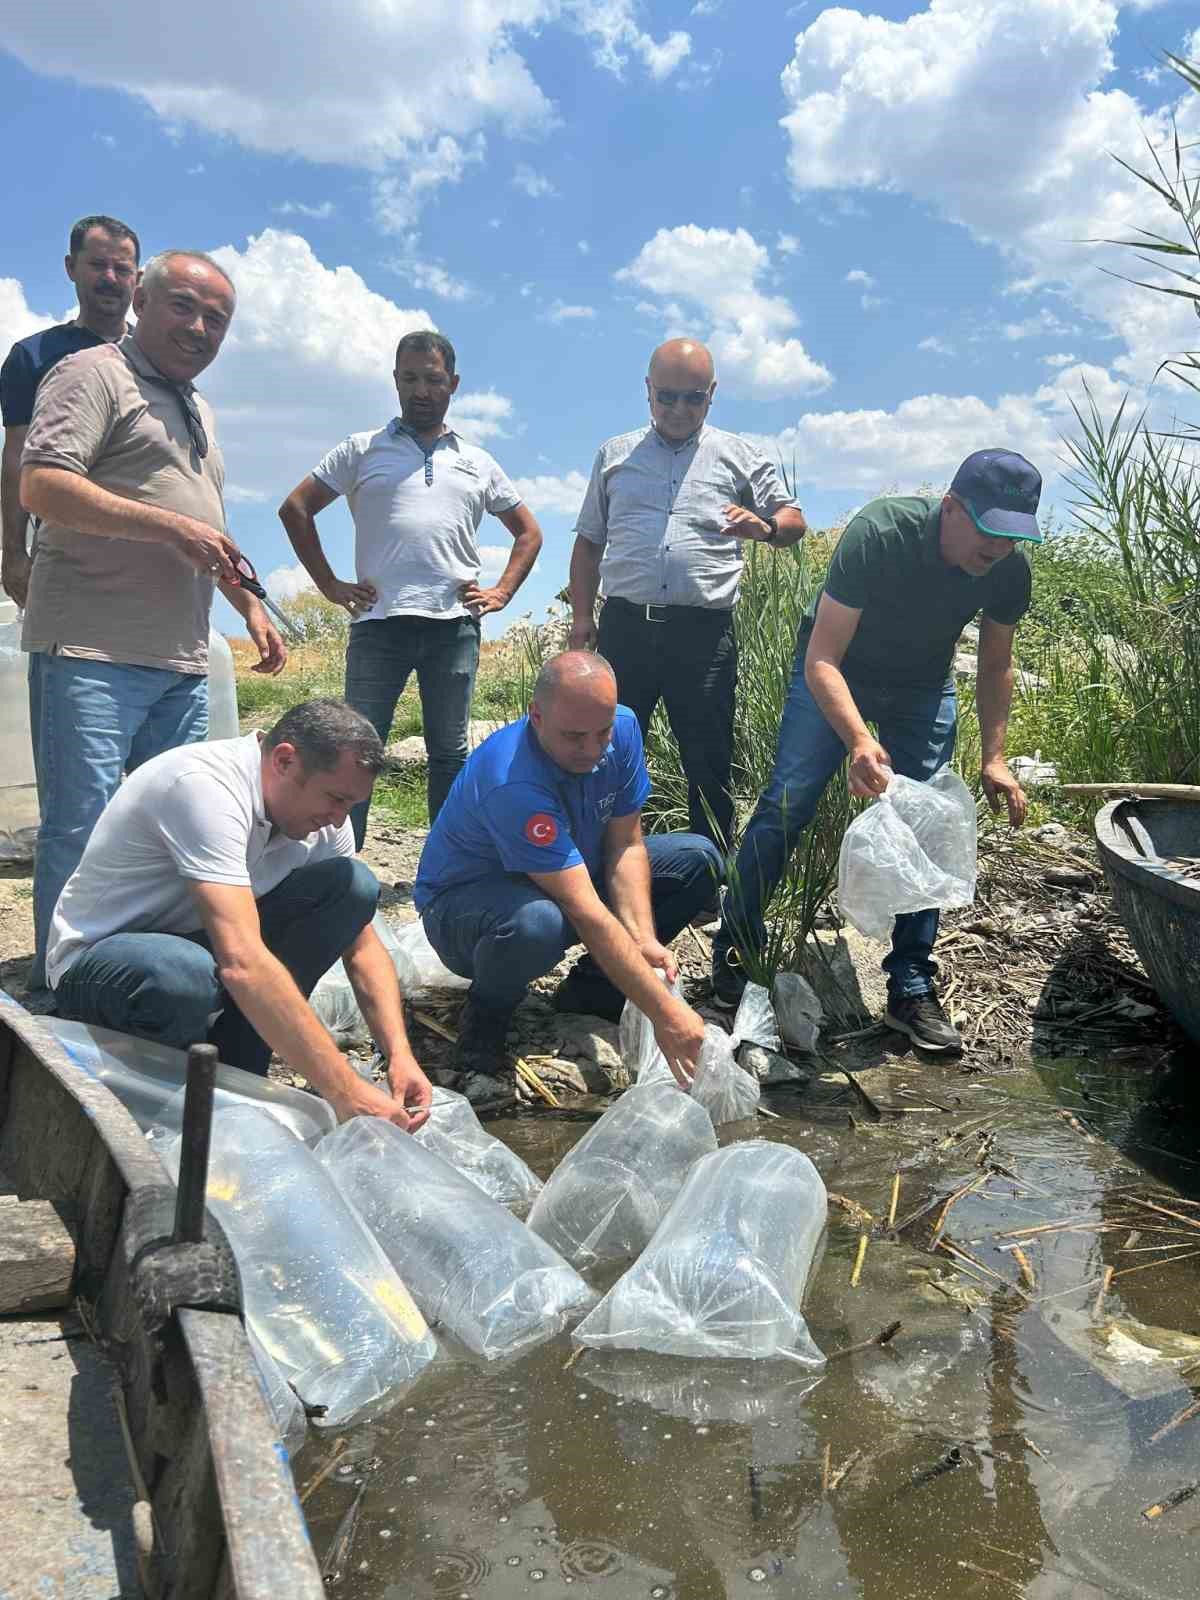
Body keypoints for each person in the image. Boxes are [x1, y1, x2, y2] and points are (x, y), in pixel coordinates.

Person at [18, 249, 286, 992]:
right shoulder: (93, 374)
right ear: (142, 300)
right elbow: (42, 486)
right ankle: (64, 986)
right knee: (83, 827)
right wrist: (169, 529)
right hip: (90, 650)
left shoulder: (198, 409)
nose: (200, 327)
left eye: (217, 319)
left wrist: (250, 607)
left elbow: (207, 527)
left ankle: (136, 978)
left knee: (168, 831)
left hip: (179, 662)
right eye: (184, 306)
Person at [713, 448, 1042, 1052]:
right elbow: (821, 658)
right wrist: (859, 740)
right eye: (989, 530)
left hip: (922, 685)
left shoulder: (1006, 571)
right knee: (789, 802)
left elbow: (996, 665)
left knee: (925, 820)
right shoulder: (881, 533)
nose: (998, 548)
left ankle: (911, 986)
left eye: (1014, 537)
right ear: (951, 508)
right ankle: (735, 950)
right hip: (840, 671)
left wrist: (994, 756)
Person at [48, 699, 432, 1128]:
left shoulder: (323, 817)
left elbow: (362, 948)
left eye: (351, 806)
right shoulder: (202, 786)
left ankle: (240, 1065)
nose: (338, 819)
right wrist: (342, 1089)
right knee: (179, 975)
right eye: (335, 799)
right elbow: (243, 963)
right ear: (285, 760)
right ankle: (153, 1105)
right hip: (110, 964)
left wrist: (398, 1053)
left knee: (350, 885)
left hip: (205, 949)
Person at [414, 651, 718, 1108]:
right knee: (539, 922)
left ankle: (591, 993)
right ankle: (485, 1022)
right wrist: (667, 1012)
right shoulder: (512, 779)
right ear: (536, 715)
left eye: (602, 734)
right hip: (467, 909)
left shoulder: (625, 728)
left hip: (568, 872)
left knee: (697, 858)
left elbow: (626, 845)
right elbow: (584, 909)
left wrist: (642, 938)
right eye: (574, 737)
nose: (592, 751)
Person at [278, 330, 543, 844]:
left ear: (454, 384)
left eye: (433, 379)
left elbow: (529, 531)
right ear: (395, 380)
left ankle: (445, 867)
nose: (421, 390)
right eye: (410, 378)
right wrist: (329, 584)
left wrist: (502, 593)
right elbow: (295, 508)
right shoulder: (362, 449)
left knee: (449, 751)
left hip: (453, 626)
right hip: (379, 625)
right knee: (352, 748)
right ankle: (338, 864)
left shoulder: (477, 461)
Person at [568, 337, 806, 857]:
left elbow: (794, 521)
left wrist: (764, 527)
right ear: (648, 391)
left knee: (709, 757)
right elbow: (589, 542)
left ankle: (707, 879)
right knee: (603, 748)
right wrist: (582, 618)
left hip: (702, 636)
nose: (678, 410)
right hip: (626, 627)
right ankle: (595, 865)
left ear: (713, 394)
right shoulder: (614, 456)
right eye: (667, 397)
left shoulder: (740, 456)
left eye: (693, 398)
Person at [2, 214, 141, 608]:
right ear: (70, 268)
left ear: (138, 279)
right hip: (66, 551)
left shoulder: (160, 360)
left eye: (122, 269)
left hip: (151, 554)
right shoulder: (32, 357)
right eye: (98, 265)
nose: (110, 278)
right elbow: (16, 458)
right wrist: (12, 553)